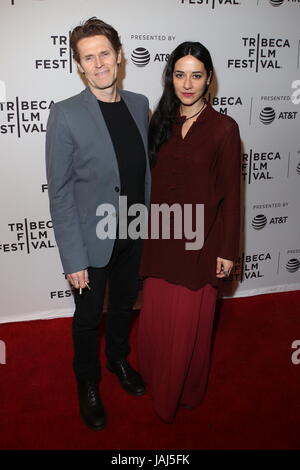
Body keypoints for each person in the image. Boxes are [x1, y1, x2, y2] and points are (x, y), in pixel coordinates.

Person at [45, 17, 151, 431]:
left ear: (119, 55)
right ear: (79, 66)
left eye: (105, 53)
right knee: (89, 318)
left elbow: (142, 172)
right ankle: (87, 381)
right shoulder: (66, 115)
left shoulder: (140, 104)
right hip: (91, 241)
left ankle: (119, 361)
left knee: (124, 306)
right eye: (88, 58)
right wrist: (73, 257)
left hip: (134, 232)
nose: (99, 63)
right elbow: (60, 192)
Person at [138, 41, 241, 423]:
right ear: (171, 77)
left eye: (196, 75)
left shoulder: (225, 129)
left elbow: (232, 196)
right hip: (161, 239)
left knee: (186, 326)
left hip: (200, 244)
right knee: (157, 319)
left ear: (209, 80)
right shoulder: (159, 123)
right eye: (180, 74)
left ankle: (181, 391)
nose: (187, 83)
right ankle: (152, 376)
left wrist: (228, 251)